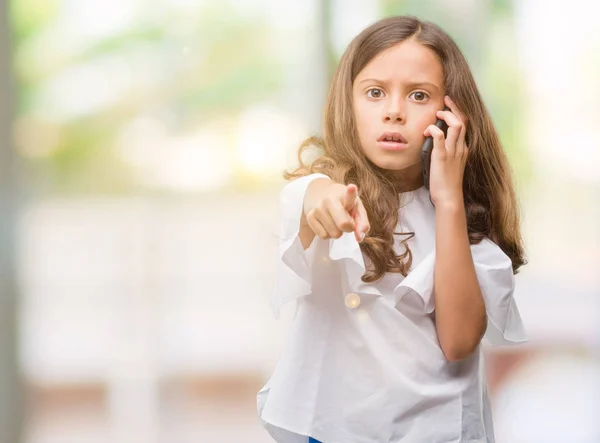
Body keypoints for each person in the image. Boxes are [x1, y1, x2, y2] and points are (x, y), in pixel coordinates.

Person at [257, 15, 527, 443]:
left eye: (418, 95)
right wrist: (322, 196)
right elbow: (310, 198)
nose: (394, 112)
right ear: (349, 102)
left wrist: (449, 200)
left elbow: (459, 342)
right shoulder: (322, 190)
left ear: (451, 116)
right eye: (375, 92)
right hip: (332, 431)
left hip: (436, 432)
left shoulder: (467, 224)